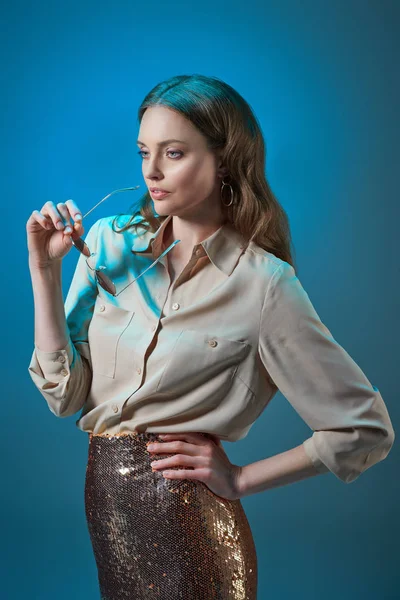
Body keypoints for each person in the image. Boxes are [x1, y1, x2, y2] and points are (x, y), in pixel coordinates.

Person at [26, 74, 395, 599]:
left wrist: (240, 479)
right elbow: (64, 397)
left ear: (224, 160)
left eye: (173, 153)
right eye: (143, 152)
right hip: (110, 521)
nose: (151, 172)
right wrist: (44, 270)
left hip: (192, 532)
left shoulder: (264, 285)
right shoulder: (106, 243)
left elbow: (364, 430)